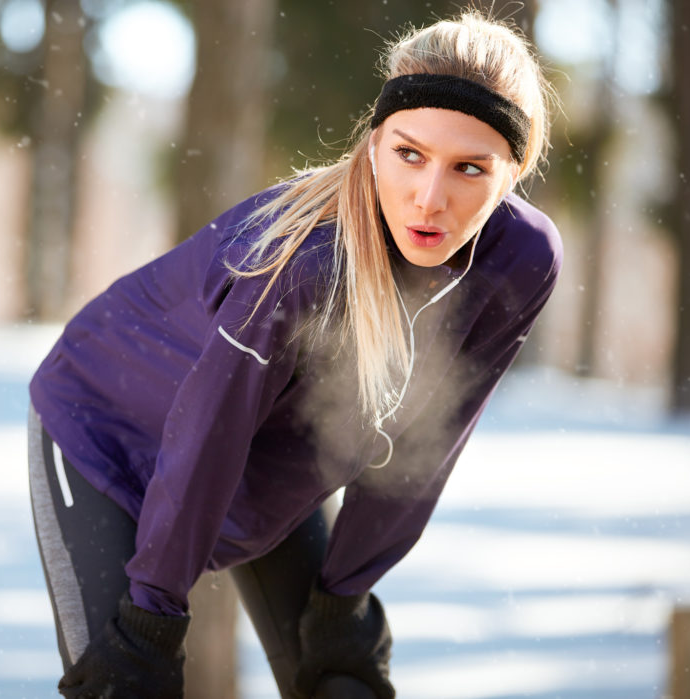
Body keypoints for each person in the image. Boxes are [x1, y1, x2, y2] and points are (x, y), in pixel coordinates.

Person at [28, 8, 562, 699]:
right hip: (106, 431)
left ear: (513, 174)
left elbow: (427, 445)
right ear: (373, 145)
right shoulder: (300, 266)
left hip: (269, 461)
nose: (430, 198)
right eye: (409, 153)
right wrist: (153, 614)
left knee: (341, 681)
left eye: (469, 167)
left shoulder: (520, 260)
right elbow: (206, 432)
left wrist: (346, 594)